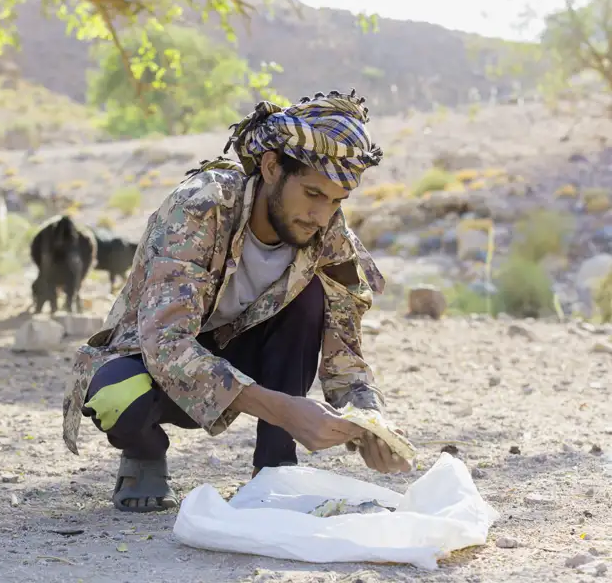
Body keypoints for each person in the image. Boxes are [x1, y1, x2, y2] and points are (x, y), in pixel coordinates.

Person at [62, 89, 412, 513]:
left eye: (338, 200)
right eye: (313, 193)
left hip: (242, 358)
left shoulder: (330, 240)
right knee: (116, 396)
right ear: (271, 167)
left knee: (309, 299)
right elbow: (167, 346)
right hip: (156, 360)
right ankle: (144, 454)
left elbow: (346, 359)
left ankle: (275, 471)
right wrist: (286, 410)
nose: (321, 215)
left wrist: (370, 423)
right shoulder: (200, 207)